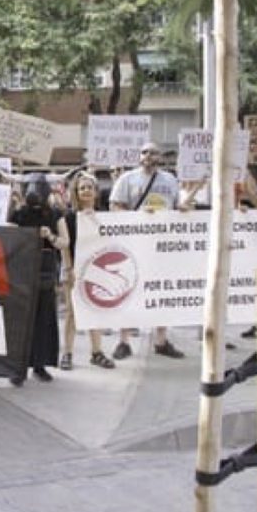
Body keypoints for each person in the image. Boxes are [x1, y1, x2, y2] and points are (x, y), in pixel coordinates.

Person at [108, 141, 185, 360]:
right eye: (144, 152)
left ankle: (161, 341)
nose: (148, 156)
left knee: (162, 291)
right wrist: (139, 217)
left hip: (162, 246)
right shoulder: (127, 179)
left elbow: (178, 206)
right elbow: (115, 206)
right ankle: (123, 341)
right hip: (135, 243)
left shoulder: (170, 180)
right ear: (139, 156)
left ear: (160, 157)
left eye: (153, 153)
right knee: (128, 290)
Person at [9, 172, 69, 386]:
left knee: (44, 317)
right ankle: (18, 367)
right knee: (22, 318)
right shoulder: (19, 213)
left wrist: (50, 236)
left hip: (45, 268)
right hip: (22, 269)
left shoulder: (55, 214)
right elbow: (8, 236)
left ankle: (40, 364)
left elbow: (64, 242)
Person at [59, 172, 116, 371]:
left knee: (95, 311)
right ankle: (67, 353)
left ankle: (97, 352)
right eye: (81, 188)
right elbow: (65, 245)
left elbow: (109, 239)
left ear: (96, 192)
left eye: (89, 187)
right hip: (73, 269)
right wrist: (68, 268)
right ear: (76, 192)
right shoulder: (69, 216)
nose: (85, 191)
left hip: (96, 270)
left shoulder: (103, 216)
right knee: (72, 313)